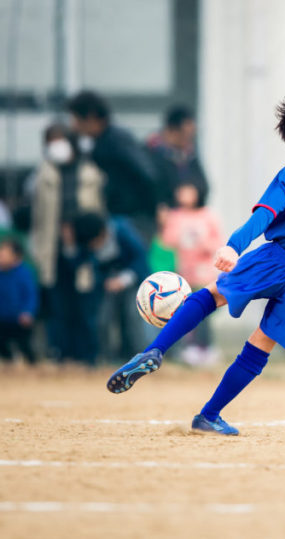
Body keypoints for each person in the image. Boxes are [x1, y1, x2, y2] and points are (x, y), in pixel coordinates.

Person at [105, 98, 285, 436]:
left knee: (212, 295)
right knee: (260, 344)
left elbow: (263, 216)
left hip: (276, 259)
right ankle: (209, 414)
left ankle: (154, 351)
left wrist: (233, 247)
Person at [27, 123, 106, 364]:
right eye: (51, 141)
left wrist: (88, 237)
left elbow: (99, 212)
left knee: (83, 307)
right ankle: (59, 354)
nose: (56, 146)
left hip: (84, 248)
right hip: (53, 250)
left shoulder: (90, 173)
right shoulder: (43, 174)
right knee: (57, 307)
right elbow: (37, 215)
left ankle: (87, 357)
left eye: (59, 140)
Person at [67, 91, 161, 243]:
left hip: (134, 219)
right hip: (118, 217)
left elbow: (147, 174)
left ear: (90, 118)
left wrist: (155, 209)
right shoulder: (99, 142)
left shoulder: (116, 140)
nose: (74, 125)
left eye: (76, 119)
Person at [158, 181, 224, 365]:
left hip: (205, 273)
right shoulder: (175, 216)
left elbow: (218, 242)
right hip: (185, 274)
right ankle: (188, 348)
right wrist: (164, 223)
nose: (184, 194)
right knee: (186, 311)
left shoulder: (208, 215)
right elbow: (167, 241)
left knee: (205, 311)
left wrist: (203, 243)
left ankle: (207, 348)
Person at [72, 212, 151, 362]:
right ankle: (104, 357)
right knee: (103, 319)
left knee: (132, 317)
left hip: (132, 281)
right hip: (106, 284)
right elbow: (81, 261)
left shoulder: (122, 231)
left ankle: (139, 357)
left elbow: (141, 258)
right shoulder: (87, 243)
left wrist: (123, 280)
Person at [0, 237, 38, 364]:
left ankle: (33, 365)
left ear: (16, 257)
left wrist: (28, 311)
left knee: (24, 345)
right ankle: (10, 361)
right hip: (2, 318)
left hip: (20, 319)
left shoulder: (24, 273)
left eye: (3, 255)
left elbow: (30, 295)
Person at [147, 105, 210, 209]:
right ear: (171, 131)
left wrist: (195, 192)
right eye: (185, 134)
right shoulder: (151, 154)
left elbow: (204, 186)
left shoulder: (189, 155)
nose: (188, 140)